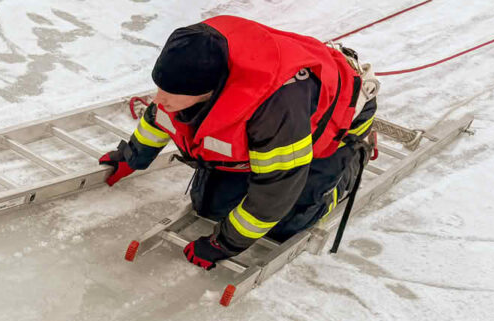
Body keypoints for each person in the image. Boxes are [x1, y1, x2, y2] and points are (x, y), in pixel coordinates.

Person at [99, 16, 380, 268]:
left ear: (209, 90)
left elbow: (278, 187)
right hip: (278, 120)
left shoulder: (276, 109)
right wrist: (130, 157)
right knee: (208, 206)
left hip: (338, 123)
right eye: (160, 87)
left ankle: (355, 159)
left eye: (171, 93)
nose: (159, 99)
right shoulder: (194, 65)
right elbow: (162, 118)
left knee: (285, 223)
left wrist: (225, 244)